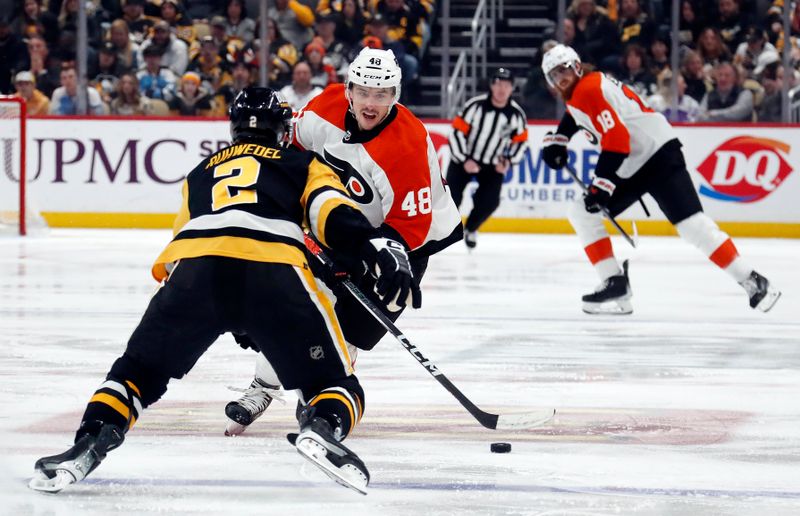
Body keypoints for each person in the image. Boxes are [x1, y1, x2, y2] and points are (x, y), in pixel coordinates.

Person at [28, 87, 420, 495]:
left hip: (196, 276)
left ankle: (89, 441)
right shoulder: (302, 162)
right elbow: (331, 215)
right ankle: (322, 427)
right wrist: (374, 248)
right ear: (283, 129)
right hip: (274, 275)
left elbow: (179, 248)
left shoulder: (200, 173)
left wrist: (211, 308)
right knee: (337, 386)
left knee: (135, 374)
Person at [223, 47, 462, 436]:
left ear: (395, 95)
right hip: (344, 224)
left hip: (405, 244)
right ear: (348, 88)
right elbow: (291, 154)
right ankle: (263, 387)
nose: (371, 103)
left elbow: (411, 227)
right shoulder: (325, 106)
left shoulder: (407, 145)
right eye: (364, 91)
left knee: (349, 327)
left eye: (382, 94)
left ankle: (322, 399)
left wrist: (381, 257)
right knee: (297, 303)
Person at [540, 44, 780, 315]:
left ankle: (749, 279)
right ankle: (616, 284)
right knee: (689, 226)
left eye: (563, 70)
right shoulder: (585, 88)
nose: (560, 77)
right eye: (553, 75)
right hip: (651, 152)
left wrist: (602, 185)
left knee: (690, 225)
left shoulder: (587, 90)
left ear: (577, 67)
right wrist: (560, 139)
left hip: (650, 156)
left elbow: (617, 140)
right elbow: (578, 114)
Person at [445, 68, 528, 249]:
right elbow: (456, 132)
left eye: (506, 85)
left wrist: (508, 161)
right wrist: (464, 159)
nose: (501, 89)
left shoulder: (516, 115)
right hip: (464, 160)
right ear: (491, 85)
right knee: (450, 198)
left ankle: (471, 228)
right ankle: (445, 231)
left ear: (512, 88)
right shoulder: (475, 106)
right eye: (498, 83)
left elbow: (521, 142)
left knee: (490, 201)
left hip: (492, 164)